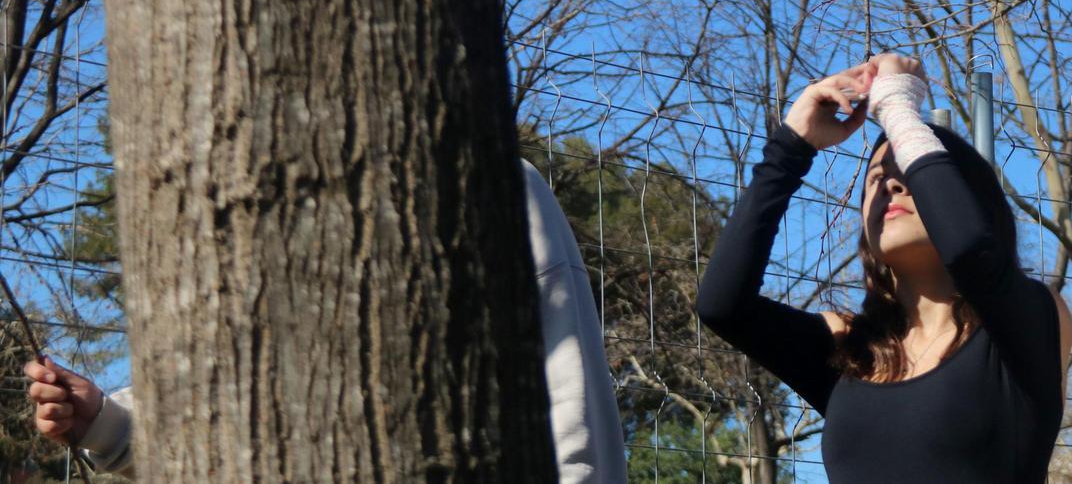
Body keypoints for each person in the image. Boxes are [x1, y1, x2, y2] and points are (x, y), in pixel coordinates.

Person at [25, 160, 627, 483]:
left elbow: (573, 419)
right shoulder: (237, 207)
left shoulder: (492, 187)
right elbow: (231, 416)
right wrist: (108, 423)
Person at [695, 53, 1072, 483]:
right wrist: (791, 147)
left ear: (967, 201)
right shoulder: (851, 348)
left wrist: (897, 107)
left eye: (909, 173)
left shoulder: (1025, 324)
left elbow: (971, 250)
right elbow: (722, 306)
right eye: (876, 178)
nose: (890, 184)